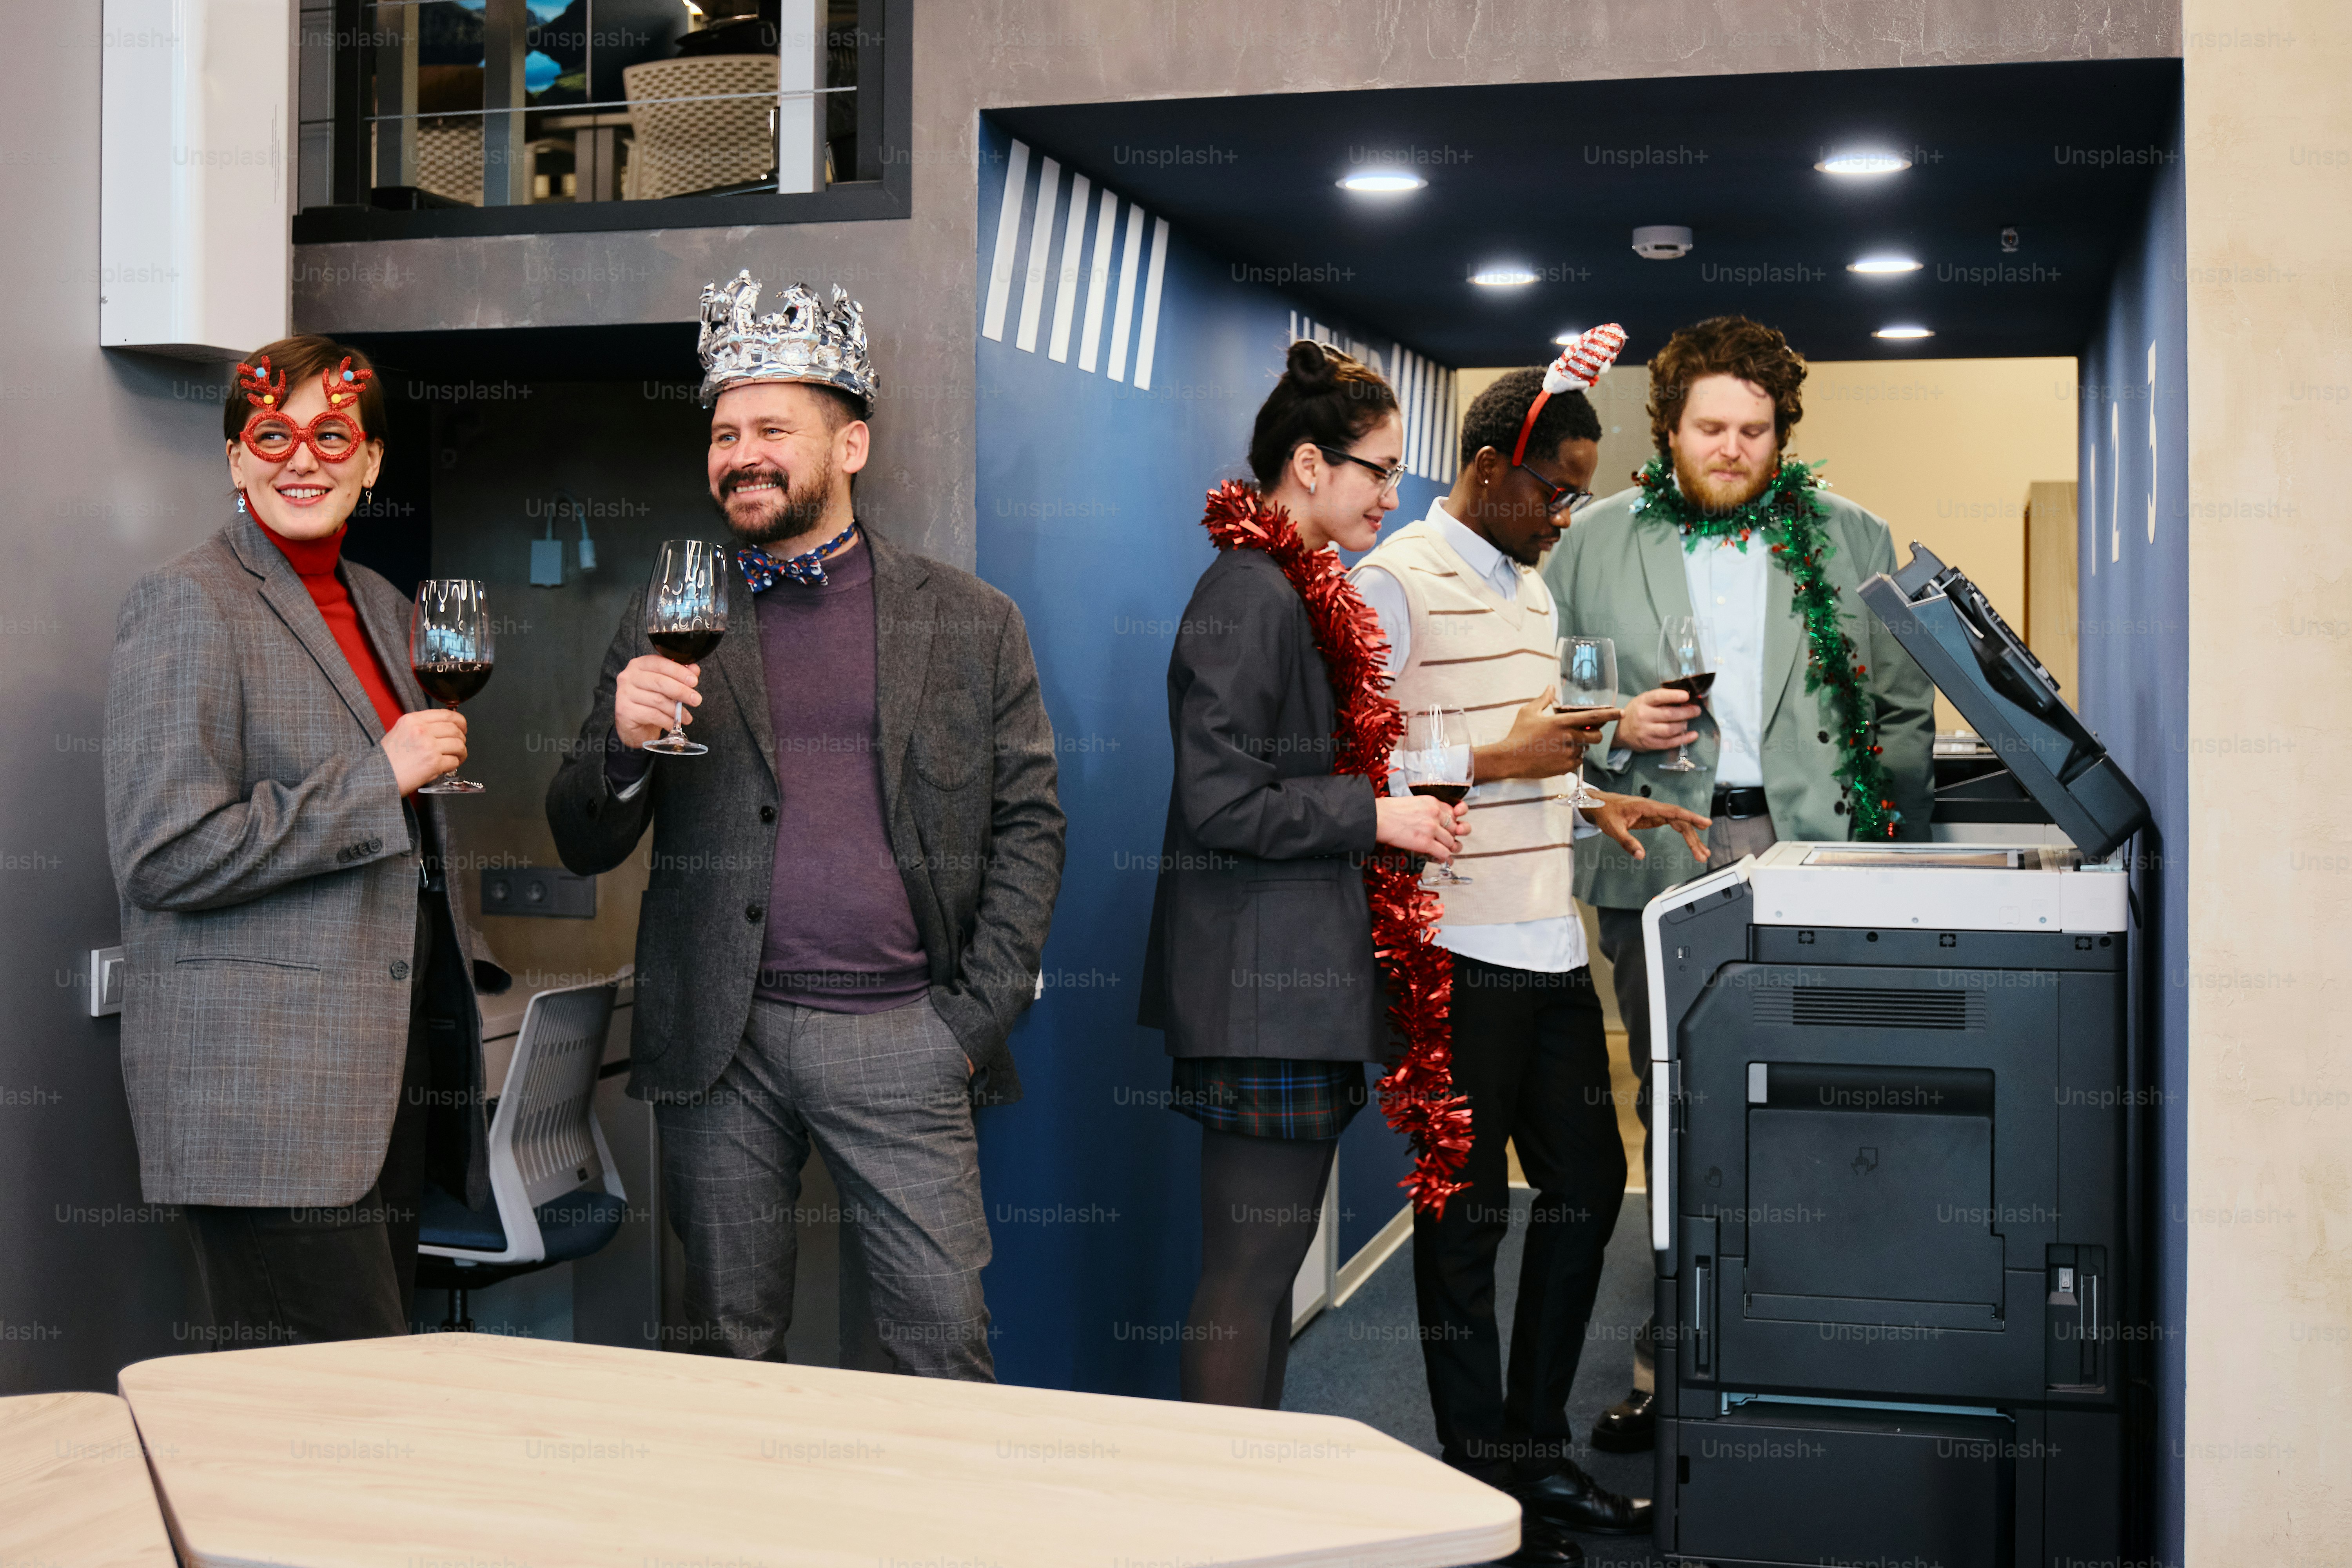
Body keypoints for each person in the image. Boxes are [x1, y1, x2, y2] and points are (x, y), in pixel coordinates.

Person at [546, 273, 1064, 1380]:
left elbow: (1031, 829)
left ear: (853, 445)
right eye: (726, 432)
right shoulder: (668, 614)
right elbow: (580, 836)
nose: (743, 453)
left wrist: (969, 1022)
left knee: (942, 1348)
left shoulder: (971, 622)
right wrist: (623, 747)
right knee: (728, 1354)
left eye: (774, 428)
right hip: (720, 1043)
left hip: (905, 1036)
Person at [1541, 314, 1935, 1452]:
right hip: (1655, 849)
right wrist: (1618, 729)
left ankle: (1810, 1350)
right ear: (1665, 428)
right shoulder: (1589, 544)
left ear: (1782, 432)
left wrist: (1880, 853)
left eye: (1754, 429)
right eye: (1709, 427)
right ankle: (1674, 1361)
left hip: (1817, 857)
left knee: (1814, 1102)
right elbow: (1560, 708)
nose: (1731, 448)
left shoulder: (1852, 536)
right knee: (1679, 1105)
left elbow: (1904, 712)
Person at [1351, 334, 1710, 1567]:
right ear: (1496, 466)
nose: (1567, 514)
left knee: (1583, 1192)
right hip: (1451, 951)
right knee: (1461, 1230)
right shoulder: (1393, 582)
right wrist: (1502, 765)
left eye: (1579, 493)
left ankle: (1534, 1449)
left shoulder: (1531, 578)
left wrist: (1596, 794)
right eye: (1556, 487)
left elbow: (1522, 739)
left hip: (1550, 940)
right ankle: (1474, 1482)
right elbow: (1355, 774)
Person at [104, 335, 508, 1344]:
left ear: (371, 460)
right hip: (266, 1109)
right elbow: (164, 853)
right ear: (236, 458)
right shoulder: (187, 602)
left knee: (360, 1409)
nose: (303, 458)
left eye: (334, 434)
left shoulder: (381, 604)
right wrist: (380, 777)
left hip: (382, 1096)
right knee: (311, 1425)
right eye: (271, 433)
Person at [1138, 340, 1467, 1412]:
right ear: (1312, 465)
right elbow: (1220, 802)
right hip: (1262, 997)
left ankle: (1251, 1499)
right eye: (1381, 469)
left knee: (1266, 1282)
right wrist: (1375, 812)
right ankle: (1221, 1518)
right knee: (1246, 1282)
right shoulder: (1249, 591)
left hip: (1292, 992)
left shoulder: (1291, 585)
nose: (1393, 493)